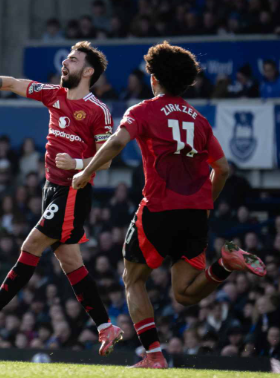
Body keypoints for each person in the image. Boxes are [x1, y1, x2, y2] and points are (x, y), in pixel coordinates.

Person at [72, 41, 266, 369]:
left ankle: (153, 356)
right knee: (185, 294)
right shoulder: (199, 120)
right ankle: (226, 265)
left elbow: (117, 142)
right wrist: (206, 204)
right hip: (194, 217)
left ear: (154, 79)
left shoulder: (143, 111)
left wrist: (84, 171)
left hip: (158, 210)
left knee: (133, 280)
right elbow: (223, 169)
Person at [0, 41, 122, 356]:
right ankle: (106, 327)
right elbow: (13, 83)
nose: (65, 63)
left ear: (88, 71)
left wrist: (79, 165)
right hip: (51, 188)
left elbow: (107, 159)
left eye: (72, 59)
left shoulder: (97, 110)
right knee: (70, 261)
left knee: (30, 246)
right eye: (66, 58)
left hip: (73, 190)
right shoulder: (53, 94)